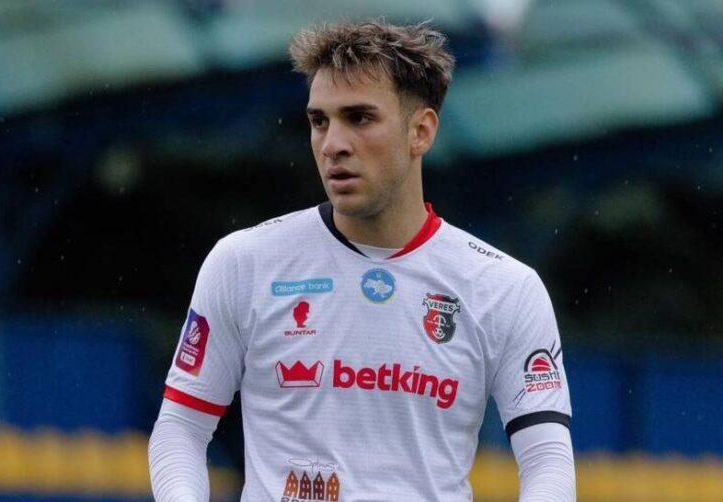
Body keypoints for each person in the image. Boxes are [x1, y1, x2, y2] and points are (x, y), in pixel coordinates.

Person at [149, 20, 575, 502]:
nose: (333, 143)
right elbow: (182, 427)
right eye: (319, 121)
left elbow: (547, 461)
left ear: (421, 132)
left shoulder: (504, 287)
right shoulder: (244, 263)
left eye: (359, 118)